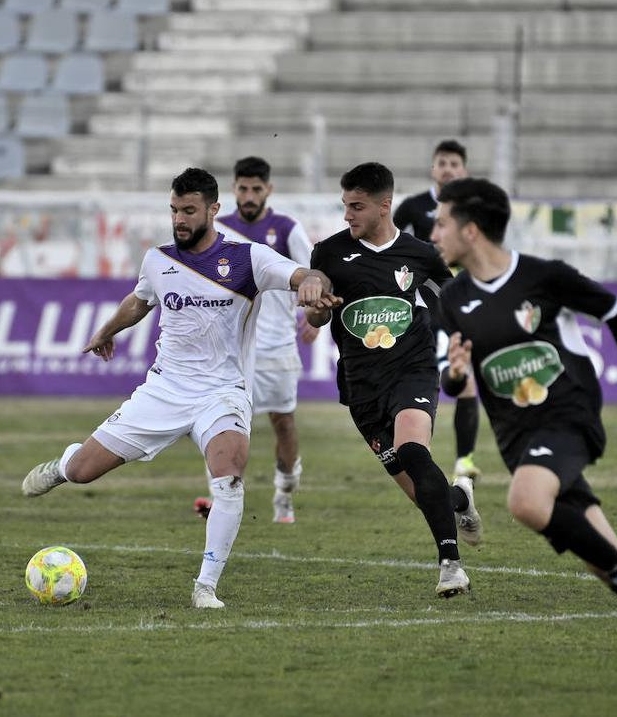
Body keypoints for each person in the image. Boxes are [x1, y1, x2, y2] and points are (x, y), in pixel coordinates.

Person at [430, 177, 617, 701]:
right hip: (517, 438)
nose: (433, 232)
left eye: (440, 223)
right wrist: (457, 375)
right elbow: (452, 381)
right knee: (605, 566)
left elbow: (614, 310)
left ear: (471, 229)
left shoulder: (542, 277)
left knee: (526, 502)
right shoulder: (455, 297)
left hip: (569, 417)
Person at [20, 168, 338, 609]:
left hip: (222, 392)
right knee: (84, 472)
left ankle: (205, 586)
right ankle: (63, 465)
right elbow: (140, 300)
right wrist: (108, 330)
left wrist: (314, 284)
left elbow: (303, 273)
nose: (179, 219)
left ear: (213, 210)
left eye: (189, 211)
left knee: (229, 472)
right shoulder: (159, 259)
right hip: (164, 390)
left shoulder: (249, 258)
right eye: (174, 210)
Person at [305, 162, 481, 598]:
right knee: (423, 492)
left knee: (413, 451)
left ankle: (451, 567)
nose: (348, 215)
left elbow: (455, 299)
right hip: (362, 388)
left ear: (385, 206)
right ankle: (458, 499)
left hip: (413, 371)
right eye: (345, 206)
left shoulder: (422, 255)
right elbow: (315, 309)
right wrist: (317, 306)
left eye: (357, 206)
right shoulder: (328, 253)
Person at [194, 156, 316, 524]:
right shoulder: (218, 228)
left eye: (256, 189)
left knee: (283, 421)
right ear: (234, 189)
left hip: (276, 346)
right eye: (243, 188)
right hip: (229, 349)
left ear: (268, 190)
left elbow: (314, 275)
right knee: (220, 422)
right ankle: (222, 499)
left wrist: (313, 316)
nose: (249, 195)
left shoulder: (287, 228)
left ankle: (285, 492)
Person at [394, 139, 482, 482]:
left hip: (458, 307)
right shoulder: (413, 207)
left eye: (454, 163)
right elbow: (392, 246)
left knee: (466, 383)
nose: (447, 168)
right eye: (441, 162)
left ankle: (464, 461)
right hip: (419, 308)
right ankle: (417, 454)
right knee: (414, 383)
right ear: (433, 168)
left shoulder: (474, 212)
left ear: (464, 171)